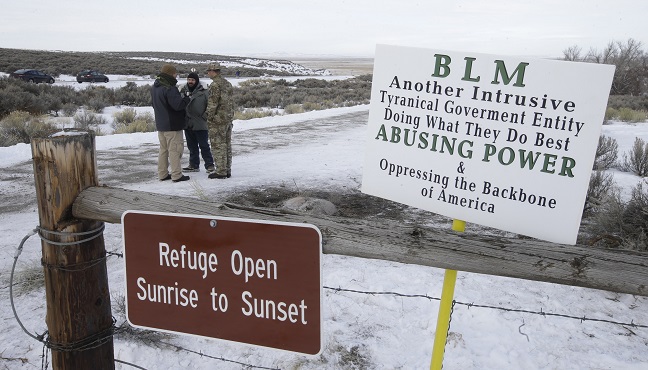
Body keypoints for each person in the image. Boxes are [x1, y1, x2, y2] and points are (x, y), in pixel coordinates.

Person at [151, 63, 191, 182]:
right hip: (172, 125)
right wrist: (186, 99)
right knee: (175, 150)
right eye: (175, 73)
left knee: (163, 150)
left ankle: (162, 174)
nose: (176, 76)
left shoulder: (155, 87)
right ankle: (176, 175)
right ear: (170, 74)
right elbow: (178, 105)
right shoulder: (169, 87)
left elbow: (154, 105)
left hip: (161, 124)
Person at [180, 72, 215, 174]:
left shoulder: (204, 91)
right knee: (192, 146)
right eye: (189, 79)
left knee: (204, 145)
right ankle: (194, 165)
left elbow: (211, 106)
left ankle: (209, 165)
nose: (190, 82)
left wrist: (205, 116)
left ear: (196, 81)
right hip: (188, 123)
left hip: (200, 123)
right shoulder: (182, 90)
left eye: (192, 80)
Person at [205, 63, 235, 179]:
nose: (208, 73)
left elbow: (212, 104)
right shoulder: (227, 84)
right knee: (227, 145)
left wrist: (209, 117)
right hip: (227, 119)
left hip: (218, 120)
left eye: (209, 71)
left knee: (218, 145)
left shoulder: (215, 85)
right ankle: (227, 169)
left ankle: (221, 171)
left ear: (214, 71)